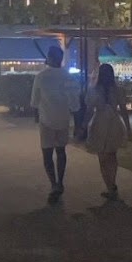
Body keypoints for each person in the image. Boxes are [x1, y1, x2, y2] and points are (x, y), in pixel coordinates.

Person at [85, 58, 132, 202]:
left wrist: (82, 126)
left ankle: (110, 186)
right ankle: (112, 184)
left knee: (102, 156)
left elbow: (88, 110)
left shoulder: (94, 89)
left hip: (100, 122)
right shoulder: (118, 90)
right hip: (114, 122)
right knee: (112, 155)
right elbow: (124, 110)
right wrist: (128, 129)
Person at [35, 38, 76, 204]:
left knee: (47, 154)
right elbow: (74, 100)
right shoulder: (68, 76)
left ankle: (54, 184)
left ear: (49, 58)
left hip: (46, 119)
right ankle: (60, 181)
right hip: (63, 119)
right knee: (61, 151)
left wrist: (36, 115)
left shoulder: (41, 77)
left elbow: (34, 100)